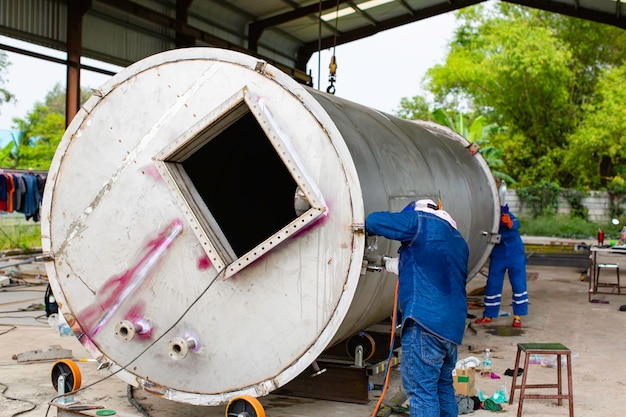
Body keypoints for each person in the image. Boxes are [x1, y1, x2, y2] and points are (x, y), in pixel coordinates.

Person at [365, 199, 469, 417]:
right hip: (452, 329)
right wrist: (392, 264)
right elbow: (433, 268)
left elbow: (374, 221)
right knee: (442, 389)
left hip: (426, 324)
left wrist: (407, 216)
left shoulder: (420, 220)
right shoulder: (458, 241)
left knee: (422, 394)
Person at [475, 200, 529, 327]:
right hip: (498, 253)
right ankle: (488, 314)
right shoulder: (486, 215)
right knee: (493, 283)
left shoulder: (503, 212)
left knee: (518, 283)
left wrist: (509, 222)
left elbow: (516, 223)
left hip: (514, 252)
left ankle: (518, 316)